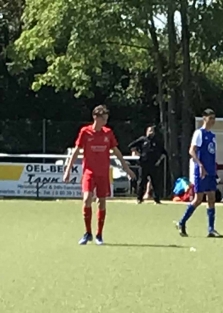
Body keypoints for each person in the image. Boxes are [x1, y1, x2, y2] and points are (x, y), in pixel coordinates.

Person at [62, 104, 135, 245]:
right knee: (87, 199)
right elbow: (76, 151)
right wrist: (68, 170)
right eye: (103, 119)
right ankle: (87, 233)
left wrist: (127, 168)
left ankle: (99, 235)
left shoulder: (108, 133)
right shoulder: (85, 132)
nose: (105, 122)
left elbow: (116, 152)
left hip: (103, 173)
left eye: (106, 119)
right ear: (96, 117)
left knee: (101, 202)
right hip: (89, 172)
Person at [175, 109, 222, 238]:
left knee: (211, 198)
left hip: (210, 171)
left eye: (214, 118)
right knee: (198, 199)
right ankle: (181, 222)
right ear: (204, 118)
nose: (212, 121)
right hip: (201, 171)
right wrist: (200, 165)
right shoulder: (199, 133)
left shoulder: (212, 136)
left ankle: (211, 229)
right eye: (210, 118)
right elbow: (192, 151)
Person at [128, 124, 168, 204]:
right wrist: (136, 152)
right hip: (143, 164)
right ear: (146, 132)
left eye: (152, 131)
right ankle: (139, 198)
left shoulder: (157, 141)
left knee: (155, 182)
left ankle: (157, 200)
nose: (151, 132)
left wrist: (159, 161)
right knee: (141, 181)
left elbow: (164, 153)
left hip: (154, 165)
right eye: (149, 131)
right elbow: (131, 146)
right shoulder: (142, 139)